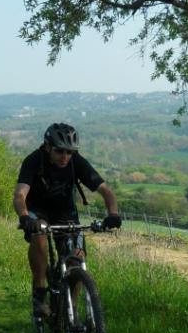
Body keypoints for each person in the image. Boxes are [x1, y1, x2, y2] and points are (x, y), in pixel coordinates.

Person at [13, 122, 122, 316]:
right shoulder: (33, 161)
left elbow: (106, 191)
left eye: (70, 152)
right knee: (39, 236)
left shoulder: (75, 162)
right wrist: (24, 217)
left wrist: (113, 213)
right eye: (60, 151)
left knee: (77, 258)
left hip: (65, 212)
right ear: (48, 147)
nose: (65, 157)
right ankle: (39, 295)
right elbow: (20, 196)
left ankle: (71, 312)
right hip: (37, 211)